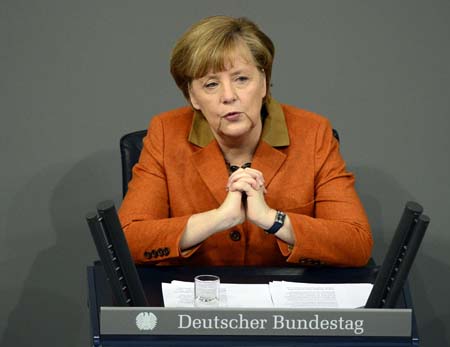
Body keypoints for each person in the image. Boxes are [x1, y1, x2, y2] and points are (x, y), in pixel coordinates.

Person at [118, 16, 373, 267]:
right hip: (197, 301)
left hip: (284, 303)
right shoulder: (166, 133)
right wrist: (218, 219)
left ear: (263, 83)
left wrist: (272, 219)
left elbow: (356, 243)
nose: (229, 96)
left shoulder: (313, 133)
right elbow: (126, 240)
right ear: (192, 97)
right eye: (211, 84)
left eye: (241, 79)